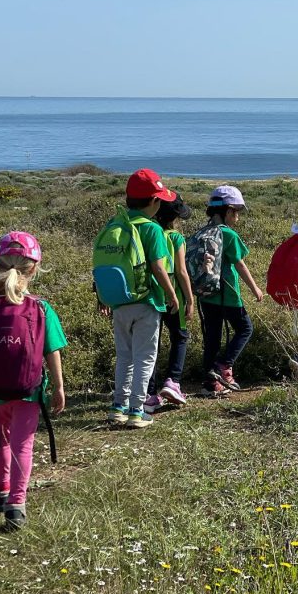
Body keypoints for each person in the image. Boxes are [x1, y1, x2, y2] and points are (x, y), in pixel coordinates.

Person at [0, 232, 66, 530]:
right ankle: (16, 505)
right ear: (34, 268)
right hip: (29, 390)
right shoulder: (42, 308)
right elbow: (51, 351)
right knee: (23, 443)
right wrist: (58, 387)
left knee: (0, 438)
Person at [102, 169, 180, 429]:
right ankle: (137, 410)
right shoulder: (152, 229)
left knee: (124, 356)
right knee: (145, 357)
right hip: (146, 302)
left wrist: (101, 296)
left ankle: (118, 407)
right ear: (154, 202)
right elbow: (159, 268)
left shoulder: (115, 224)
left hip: (118, 302)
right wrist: (172, 295)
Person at [197, 186, 263, 398]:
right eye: (235, 212)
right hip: (228, 293)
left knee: (212, 337)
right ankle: (225, 366)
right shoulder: (229, 235)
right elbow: (240, 265)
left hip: (206, 293)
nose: (237, 217)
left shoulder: (203, 232)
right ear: (226, 211)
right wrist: (255, 289)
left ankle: (210, 382)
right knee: (245, 328)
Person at [144, 194, 195, 414]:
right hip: (174, 291)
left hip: (153, 293)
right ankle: (173, 382)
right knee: (180, 336)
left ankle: (148, 392)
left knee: (151, 343)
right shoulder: (176, 238)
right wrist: (190, 299)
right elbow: (182, 271)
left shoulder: (149, 233)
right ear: (176, 218)